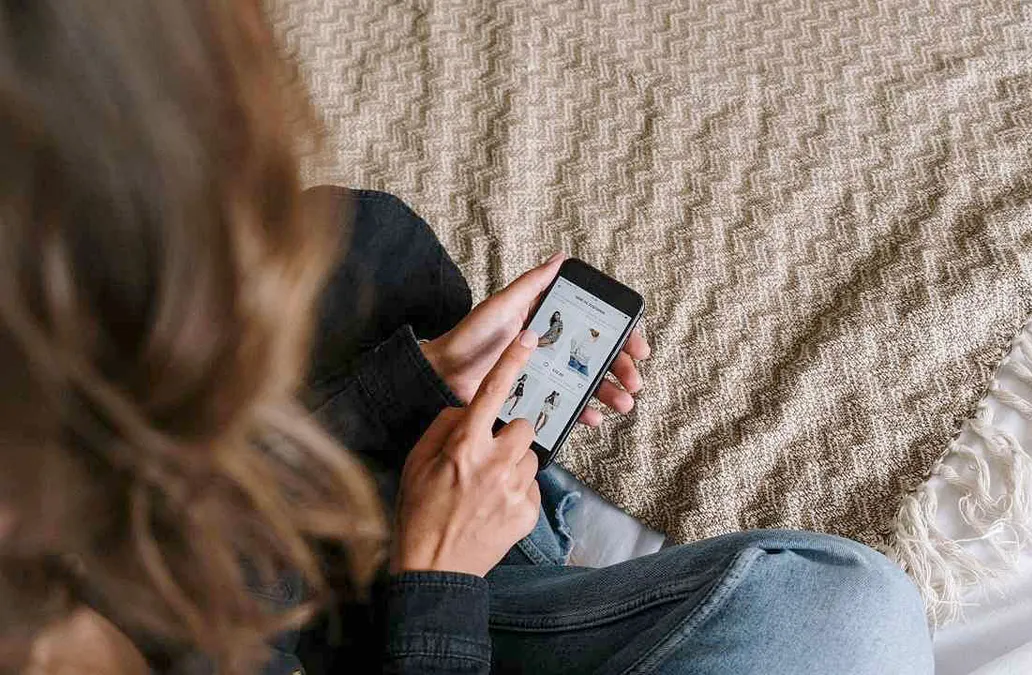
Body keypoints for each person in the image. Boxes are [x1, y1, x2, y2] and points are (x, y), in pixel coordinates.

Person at [0, 2, 935, 674]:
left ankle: (462, 476)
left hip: (303, 572)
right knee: (845, 620)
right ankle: (478, 510)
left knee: (363, 244)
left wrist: (414, 388)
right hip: (402, 625)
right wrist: (439, 582)